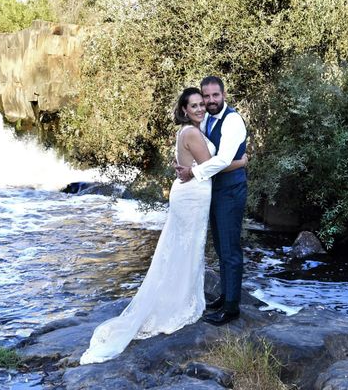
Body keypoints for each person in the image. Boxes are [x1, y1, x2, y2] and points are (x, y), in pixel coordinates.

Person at [80, 87, 246, 365]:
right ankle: (179, 303)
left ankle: (184, 297)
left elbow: (199, 162)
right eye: (194, 105)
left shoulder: (197, 129)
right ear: (184, 110)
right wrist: (240, 161)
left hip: (194, 192)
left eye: (201, 103)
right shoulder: (192, 132)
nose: (200, 108)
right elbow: (212, 164)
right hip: (192, 194)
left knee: (184, 246)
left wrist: (191, 167)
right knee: (185, 246)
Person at [175, 76, 248, 326]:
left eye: (215, 96)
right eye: (206, 97)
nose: (210, 101)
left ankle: (232, 308)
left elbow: (223, 159)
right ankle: (225, 296)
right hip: (213, 192)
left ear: (224, 95)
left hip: (230, 191)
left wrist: (193, 172)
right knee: (220, 247)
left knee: (230, 249)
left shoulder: (233, 120)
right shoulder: (206, 119)